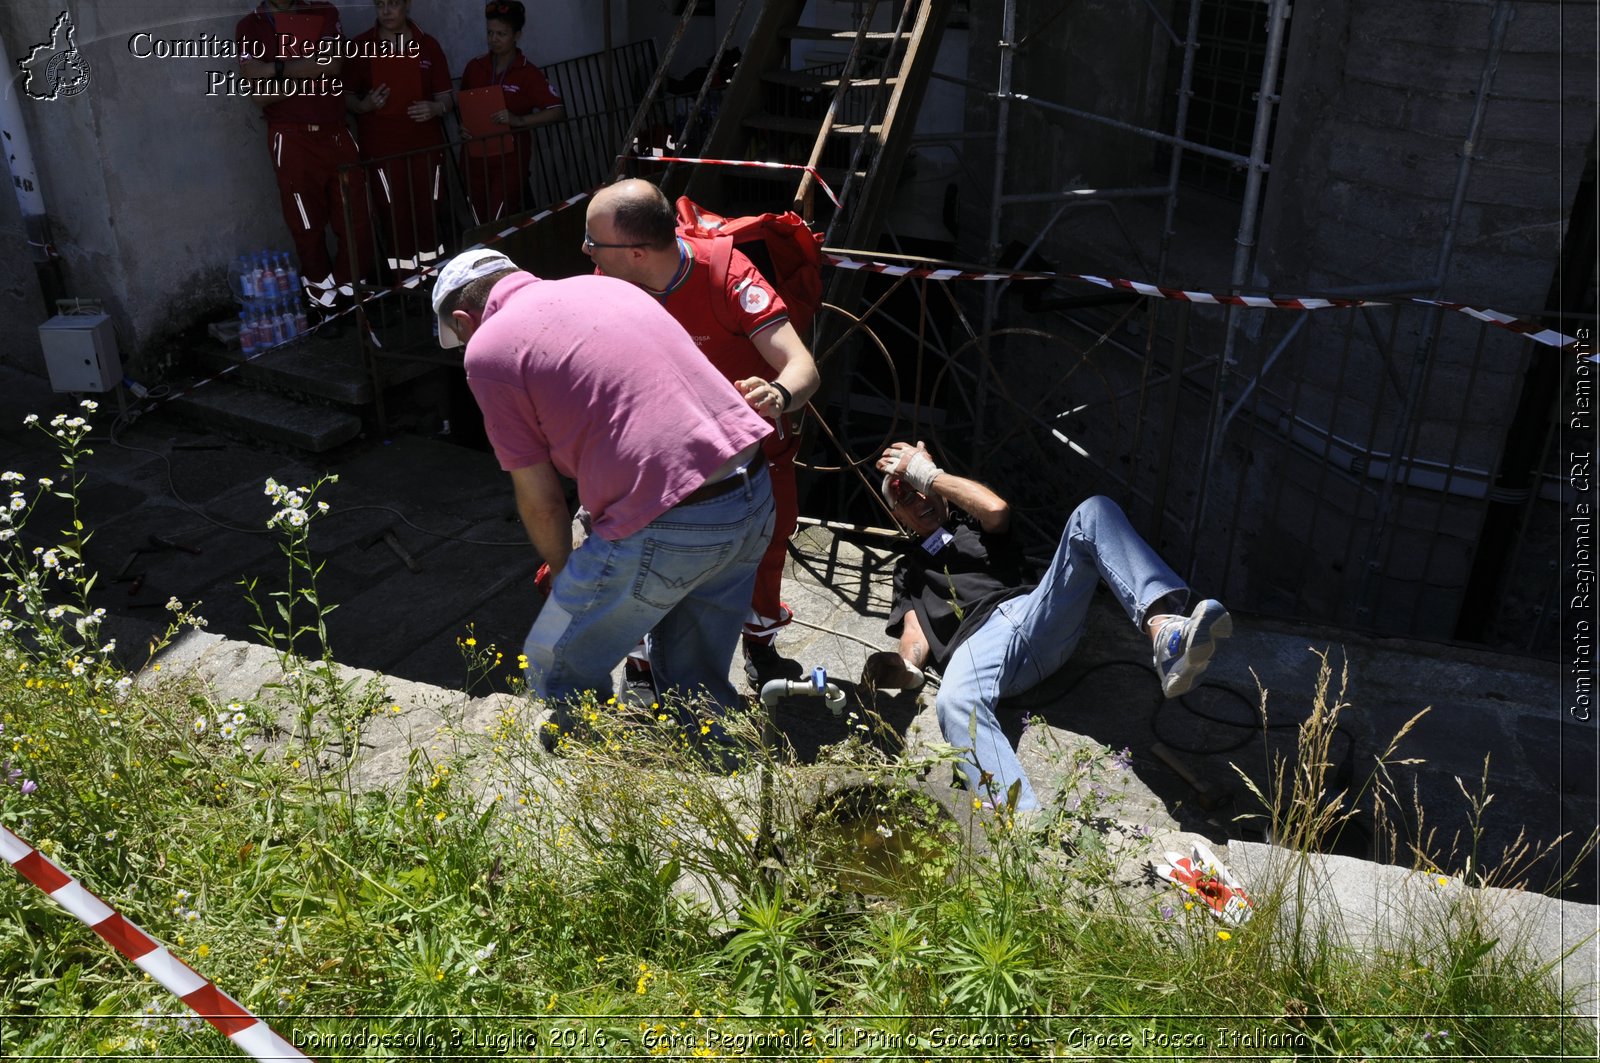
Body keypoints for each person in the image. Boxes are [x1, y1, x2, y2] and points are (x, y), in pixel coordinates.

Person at [430, 249, 775, 740]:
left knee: (555, 655)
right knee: (692, 669)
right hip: (752, 489)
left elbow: (541, 499)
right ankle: (721, 769)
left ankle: (592, 767)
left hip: (676, 518)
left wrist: (565, 569)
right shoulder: (608, 287)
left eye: (460, 335)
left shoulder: (488, 348)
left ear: (464, 319)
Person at [866, 440, 1233, 814]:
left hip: (1034, 614)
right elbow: (914, 635)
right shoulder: (908, 569)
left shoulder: (971, 518)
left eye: (922, 489)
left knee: (1094, 511)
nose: (921, 499)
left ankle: (1166, 638)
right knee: (954, 702)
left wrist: (928, 474)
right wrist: (904, 670)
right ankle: (1022, 828)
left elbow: (997, 510)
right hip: (977, 649)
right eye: (907, 498)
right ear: (899, 516)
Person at [583, 179, 821, 688]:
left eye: (593, 242)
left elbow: (802, 366)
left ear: (639, 252)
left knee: (767, 546)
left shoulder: (727, 275)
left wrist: (777, 394)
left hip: (747, 453)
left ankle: (760, 646)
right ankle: (642, 664)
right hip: (657, 454)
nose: (584, 251)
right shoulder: (608, 276)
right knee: (639, 557)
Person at [236, 0, 375, 315]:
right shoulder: (250, 26)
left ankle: (354, 298)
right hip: (292, 139)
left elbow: (332, 65)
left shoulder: (323, 11)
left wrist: (276, 68)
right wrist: (309, 68)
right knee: (306, 226)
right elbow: (260, 96)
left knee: (355, 220)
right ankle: (324, 306)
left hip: (336, 132)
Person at [344, 0, 453, 277]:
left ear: (407, 5)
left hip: (426, 148)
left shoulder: (428, 45)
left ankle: (433, 278)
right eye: (380, 4)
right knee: (394, 218)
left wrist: (436, 108)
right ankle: (405, 284)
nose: (386, 11)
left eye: (393, 4)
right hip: (383, 152)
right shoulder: (360, 47)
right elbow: (345, 96)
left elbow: (446, 97)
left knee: (428, 214)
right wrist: (364, 105)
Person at [457, 1, 565, 224]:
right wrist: (464, 127)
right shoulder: (474, 67)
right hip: (474, 159)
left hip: (510, 161)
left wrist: (518, 120)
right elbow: (463, 106)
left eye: (501, 34)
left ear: (517, 35)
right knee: (479, 222)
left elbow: (556, 111)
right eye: (490, 33)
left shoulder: (528, 72)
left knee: (499, 221)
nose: (493, 39)